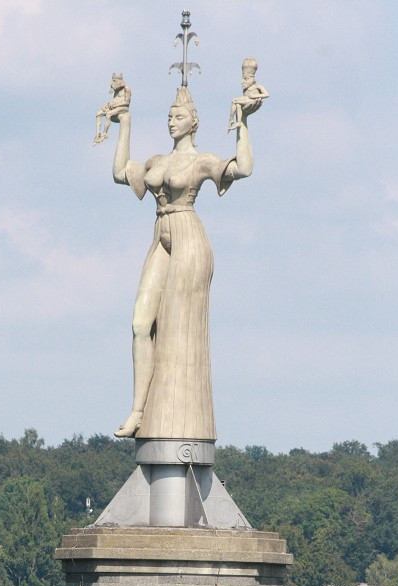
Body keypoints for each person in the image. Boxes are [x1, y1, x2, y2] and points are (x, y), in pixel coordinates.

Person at [110, 83, 263, 439]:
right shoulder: (156, 162)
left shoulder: (201, 160)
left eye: (178, 116)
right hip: (160, 234)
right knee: (139, 324)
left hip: (188, 235)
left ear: (193, 122)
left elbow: (244, 168)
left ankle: (176, 415)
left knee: (179, 329)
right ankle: (138, 411)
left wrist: (243, 122)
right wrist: (124, 122)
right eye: (168, 117)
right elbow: (120, 173)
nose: (171, 122)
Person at [228, 57, 269, 131]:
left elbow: (267, 94)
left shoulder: (257, 86)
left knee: (235, 102)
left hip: (251, 101)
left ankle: (236, 121)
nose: (242, 82)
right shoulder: (246, 89)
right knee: (236, 103)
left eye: (246, 79)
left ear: (253, 80)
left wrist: (254, 96)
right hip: (246, 100)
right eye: (243, 78)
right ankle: (233, 120)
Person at [94, 73, 131, 145]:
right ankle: (98, 133)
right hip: (115, 107)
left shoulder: (126, 88)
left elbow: (126, 102)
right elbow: (115, 100)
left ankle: (104, 134)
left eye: (114, 81)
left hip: (123, 107)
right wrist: (107, 105)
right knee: (99, 113)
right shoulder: (116, 90)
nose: (112, 83)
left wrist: (113, 106)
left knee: (108, 114)